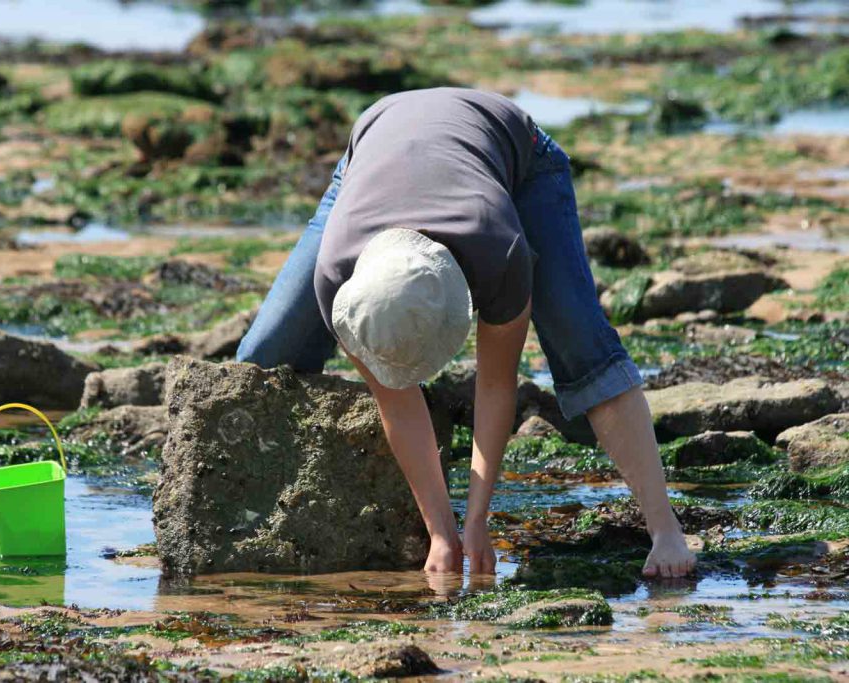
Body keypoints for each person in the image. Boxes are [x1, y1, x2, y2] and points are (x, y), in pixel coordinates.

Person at [236, 87, 696, 579]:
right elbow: (396, 398)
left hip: (516, 156)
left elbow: (495, 385)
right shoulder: (338, 276)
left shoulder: (499, 252)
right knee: (263, 356)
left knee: (581, 342)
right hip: (369, 153)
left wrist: (476, 522)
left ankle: (666, 530)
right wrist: (440, 531)